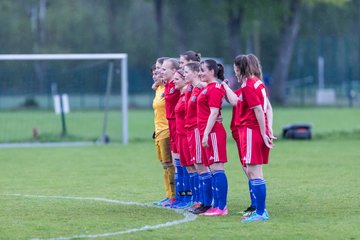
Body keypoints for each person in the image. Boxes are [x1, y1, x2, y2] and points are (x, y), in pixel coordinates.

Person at [223, 54, 274, 222]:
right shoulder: (256, 83)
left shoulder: (249, 85)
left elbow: (259, 110)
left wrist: (263, 132)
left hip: (252, 130)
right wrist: (267, 129)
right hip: (252, 130)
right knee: (252, 171)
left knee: (254, 171)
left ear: (240, 68)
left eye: (236, 69)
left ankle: (261, 212)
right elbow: (266, 107)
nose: (235, 72)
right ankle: (258, 210)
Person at [194, 59, 229, 216]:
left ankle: (221, 207)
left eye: (203, 70)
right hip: (207, 131)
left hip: (213, 132)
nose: (200, 73)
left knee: (217, 168)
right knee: (213, 169)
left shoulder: (215, 88)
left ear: (212, 72)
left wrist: (206, 134)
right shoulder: (208, 87)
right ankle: (216, 205)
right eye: (199, 70)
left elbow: (214, 113)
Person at [183, 62, 208, 212]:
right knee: (197, 167)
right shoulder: (190, 89)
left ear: (195, 72)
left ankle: (205, 202)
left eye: (186, 71)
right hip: (190, 131)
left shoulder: (201, 87)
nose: (184, 74)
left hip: (198, 130)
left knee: (201, 166)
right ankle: (200, 201)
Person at [151, 58, 176, 206]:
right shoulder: (159, 88)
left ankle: (174, 196)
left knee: (169, 164)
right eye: (155, 70)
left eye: (160, 68)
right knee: (164, 165)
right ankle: (168, 195)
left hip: (167, 130)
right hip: (159, 131)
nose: (157, 72)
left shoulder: (168, 87)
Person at [160, 58, 183, 207]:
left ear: (174, 71)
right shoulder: (167, 85)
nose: (160, 72)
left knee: (182, 163)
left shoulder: (176, 86)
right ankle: (178, 197)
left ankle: (185, 197)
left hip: (178, 124)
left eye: (163, 69)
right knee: (176, 162)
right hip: (172, 123)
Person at [173, 69, 196, 208]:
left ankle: (193, 198)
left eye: (177, 78)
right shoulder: (182, 95)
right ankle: (185, 198)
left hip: (187, 135)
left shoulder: (189, 93)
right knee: (185, 166)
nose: (174, 81)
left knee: (193, 167)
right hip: (180, 135)